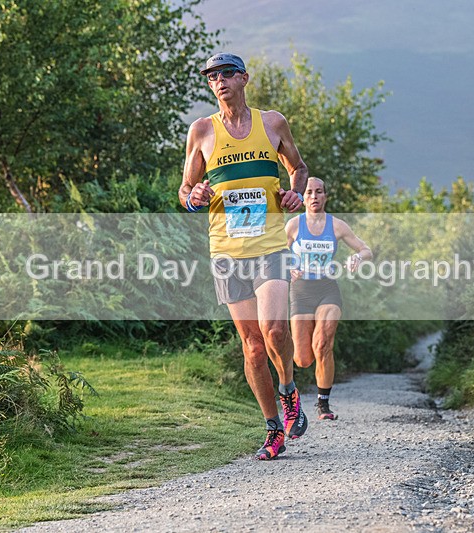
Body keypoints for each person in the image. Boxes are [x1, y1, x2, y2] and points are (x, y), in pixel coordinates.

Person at [179, 52, 309, 460]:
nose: (219, 81)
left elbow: (299, 168)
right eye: (212, 76)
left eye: (227, 73)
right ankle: (273, 427)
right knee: (252, 346)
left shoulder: (273, 123)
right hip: (227, 251)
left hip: (270, 245)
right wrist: (194, 196)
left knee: (275, 332)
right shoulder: (201, 131)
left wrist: (295, 193)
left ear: (244, 79)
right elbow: (185, 192)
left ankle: (288, 388)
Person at [285, 177, 372, 420]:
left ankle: (323, 404)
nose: (314, 196)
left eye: (319, 192)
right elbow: (277, 253)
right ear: (302, 198)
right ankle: (291, 392)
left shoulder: (337, 226)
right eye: (309, 192)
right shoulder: (293, 225)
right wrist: (289, 266)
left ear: (325, 196)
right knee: (302, 359)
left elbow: (366, 250)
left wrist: (357, 258)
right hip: (300, 292)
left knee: (323, 343)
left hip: (327, 289)